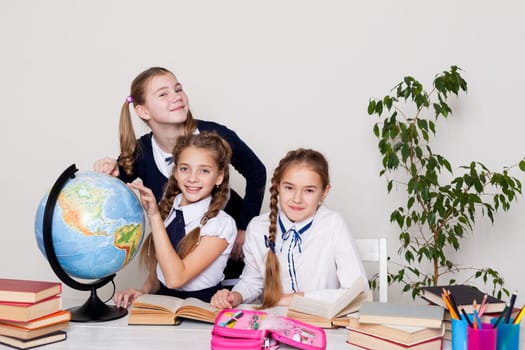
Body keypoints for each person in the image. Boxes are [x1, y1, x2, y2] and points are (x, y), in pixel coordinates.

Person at [93, 67, 266, 275]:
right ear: (143, 110)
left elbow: (257, 172)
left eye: (178, 89)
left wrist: (244, 228)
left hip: (230, 259)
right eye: (163, 94)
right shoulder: (140, 153)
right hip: (177, 264)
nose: (176, 97)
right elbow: (110, 192)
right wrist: (108, 172)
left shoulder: (216, 135)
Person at [210, 148, 368, 309]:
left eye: (309, 190)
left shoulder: (333, 224)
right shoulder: (258, 227)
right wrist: (235, 296)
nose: (297, 199)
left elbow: (357, 292)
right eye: (289, 188)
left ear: (324, 192)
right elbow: (252, 281)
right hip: (274, 324)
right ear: (278, 186)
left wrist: (293, 299)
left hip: (322, 325)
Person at [114, 131, 237, 307]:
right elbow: (163, 264)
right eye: (184, 168)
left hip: (199, 310)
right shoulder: (171, 206)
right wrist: (145, 291)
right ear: (176, 172)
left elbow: (175, 279)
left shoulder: (221, 225)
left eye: (204, 171)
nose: (192, 178)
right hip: (164, 306)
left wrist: (154, 216)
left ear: (219, 177)